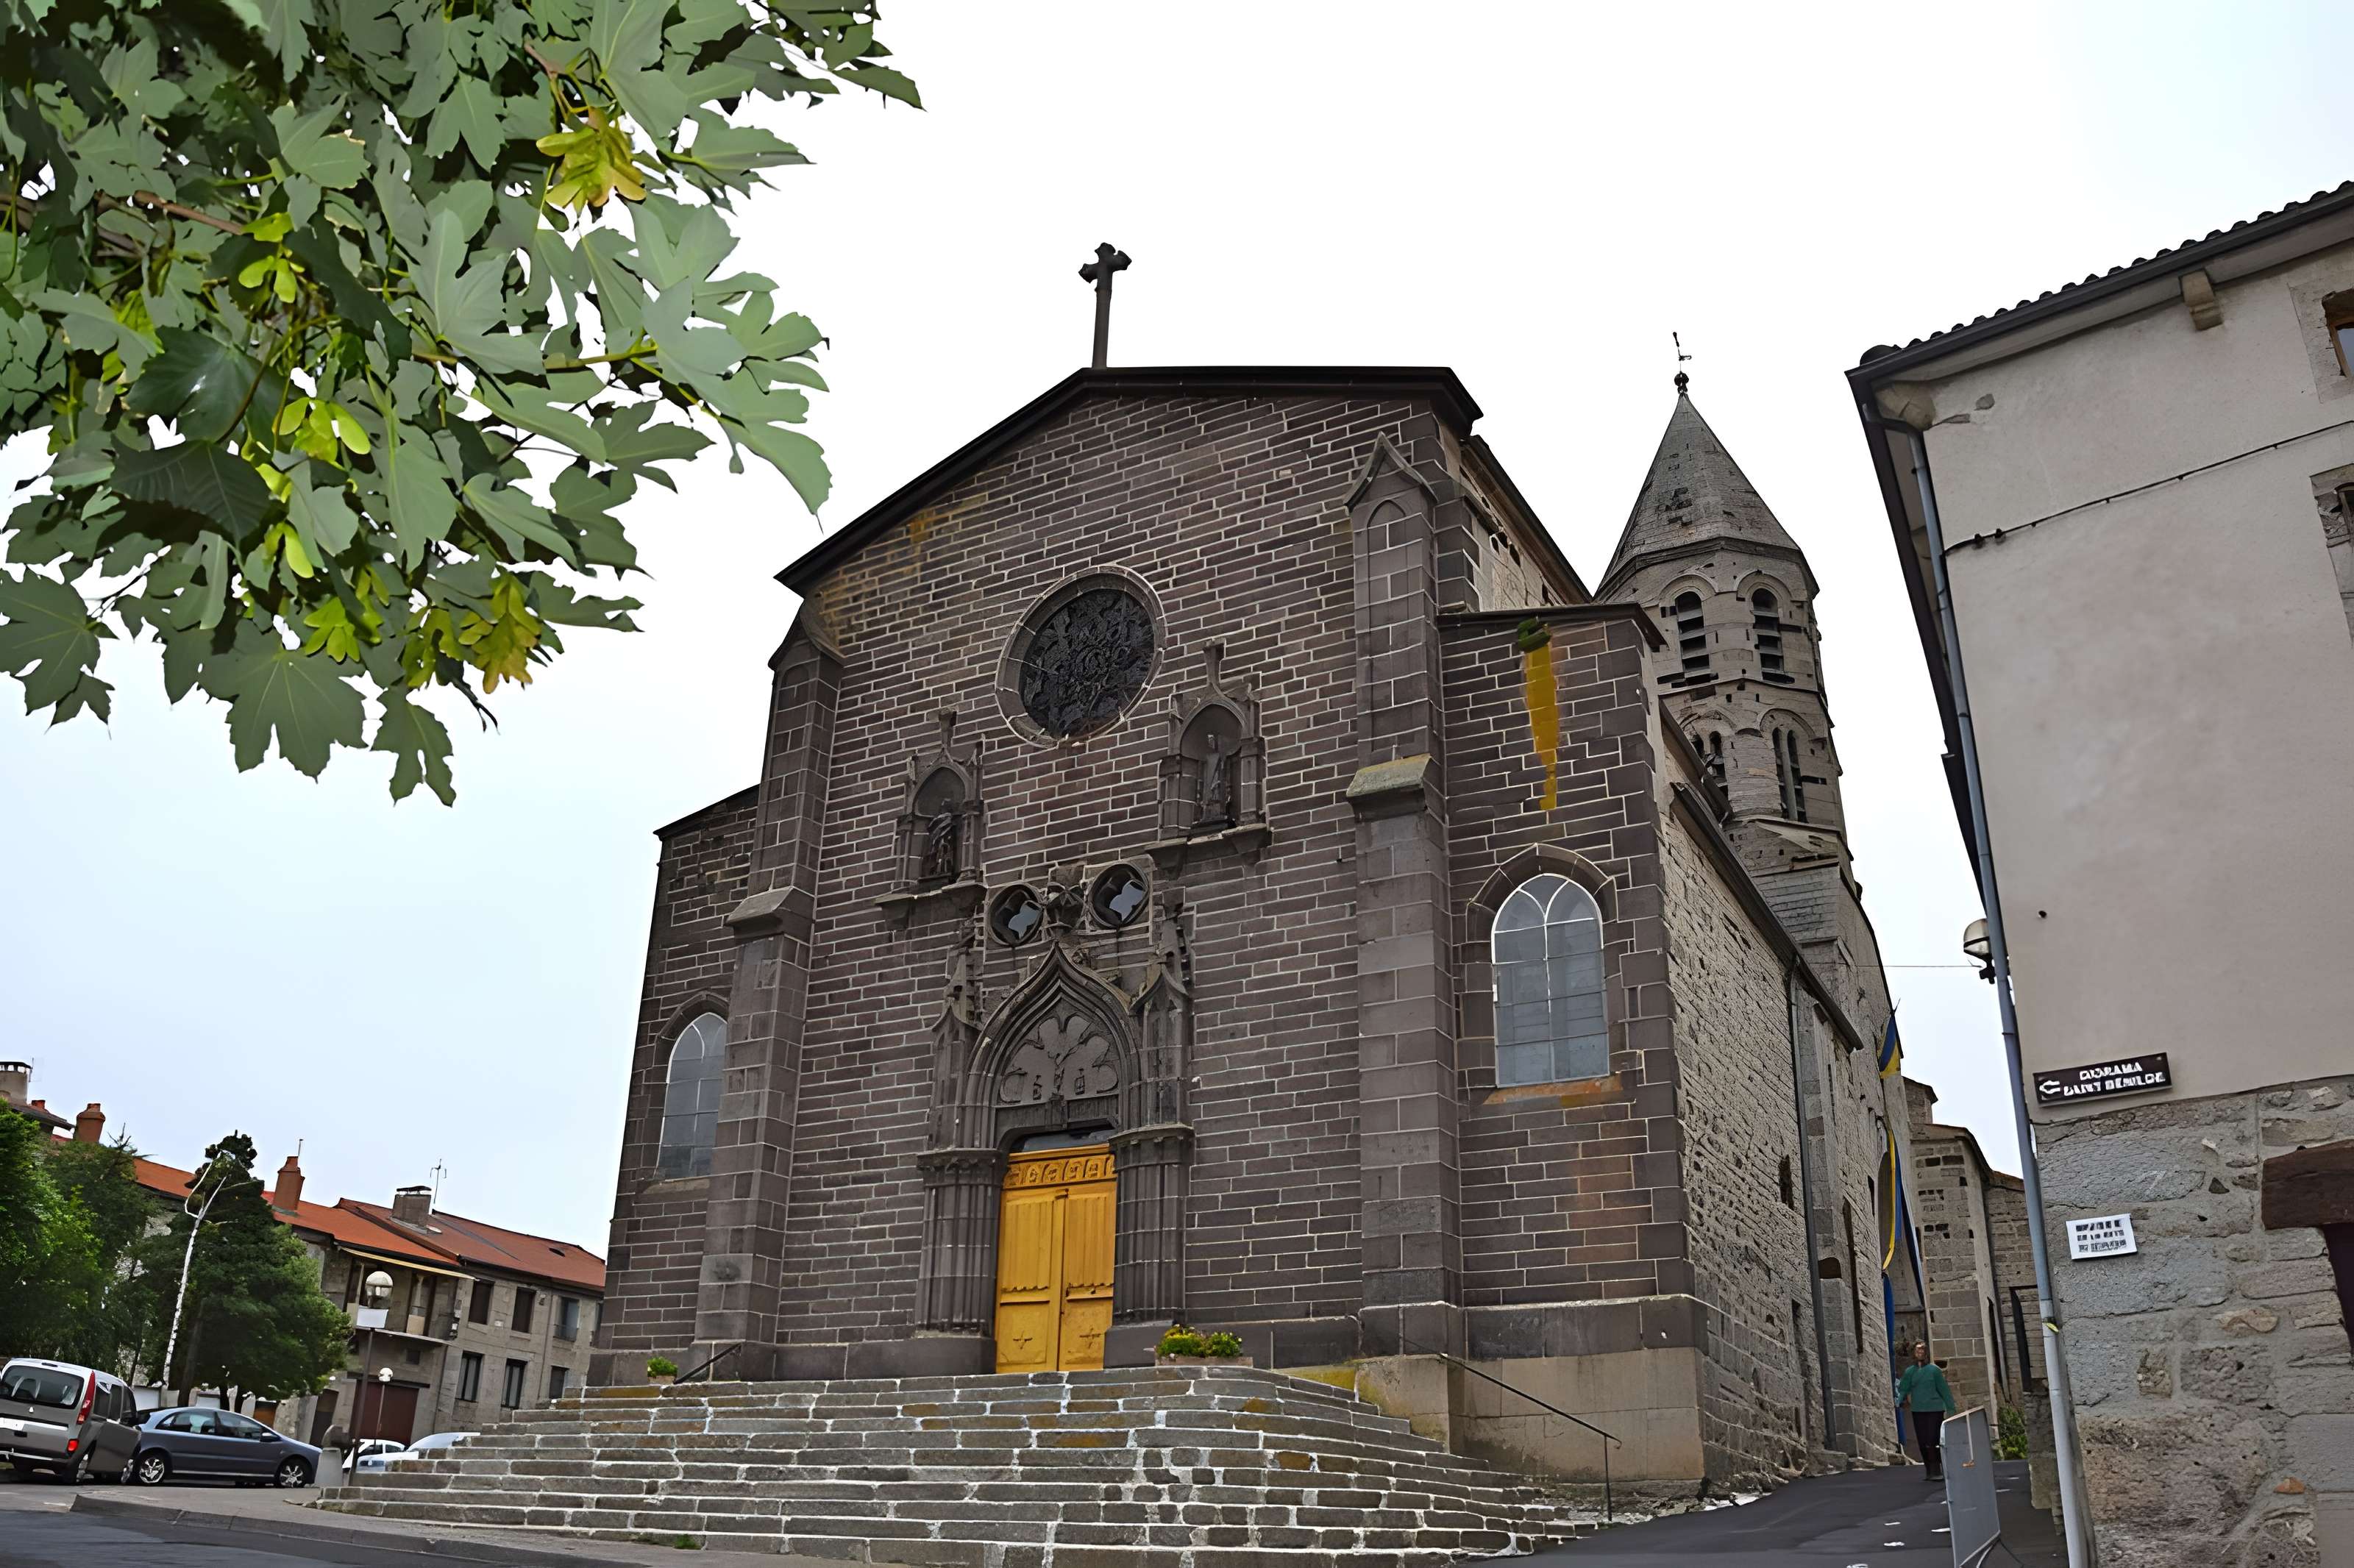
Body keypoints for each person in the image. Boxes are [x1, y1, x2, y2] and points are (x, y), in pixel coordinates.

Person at [1895, 1341, 1955, 1481]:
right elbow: (1904, 1388)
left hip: (1935, 1410)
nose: (1920, 1353)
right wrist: (1899, 1401)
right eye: (1917, 1351)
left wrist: (1950, 1408)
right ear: (1914, 1354)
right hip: (1918, 1410)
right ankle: (1929, 1470)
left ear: (1926, 1353)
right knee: (1922, 1441)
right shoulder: (1910, 1372)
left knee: (1932, 1439)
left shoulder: (1934, 1371)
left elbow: (1944, 1390)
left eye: (1922, 1351)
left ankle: (1936, 1470)